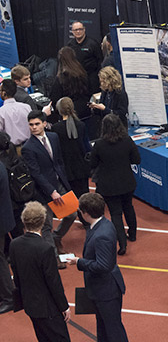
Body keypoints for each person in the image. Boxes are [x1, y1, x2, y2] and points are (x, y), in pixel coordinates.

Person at [9, 202, 71, 342]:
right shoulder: (46, 248)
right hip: (48, 308)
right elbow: (53, 281)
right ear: (42, 221)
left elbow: (17, 276)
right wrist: (64, 306)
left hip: (30, 304)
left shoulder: (15, 244)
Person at [75, 192, 129, 341]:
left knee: (113, 330)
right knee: (104, 328)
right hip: (102, 289)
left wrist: (79, 262)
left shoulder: (101, 234)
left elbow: (103, 265)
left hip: (106, 292)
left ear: (85, 213)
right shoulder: (103, 224)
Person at [22, 110, 75, 257]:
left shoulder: (53, 137)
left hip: (59, 183)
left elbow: (58, 161)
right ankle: (54, 257)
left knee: (72, 214)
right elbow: (36, 173)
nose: (34, 127)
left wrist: (62, 180)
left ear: (44, 124)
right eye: (31, 125)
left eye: (37, 124)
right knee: (47, 225)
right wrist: (51, 191)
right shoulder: (28, 148)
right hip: (43, 191)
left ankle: (57, 237)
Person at [89, 114, 140, 256]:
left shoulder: (99, 144)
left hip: (108, 185)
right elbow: (137, 159)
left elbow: (92, 164)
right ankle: (133, 234)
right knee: (128, 206)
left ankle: (122, 244)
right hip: (127, 182)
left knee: (115, 214)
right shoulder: (127, 140)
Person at [52, 98, 90, 215]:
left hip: (67, 168)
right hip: (82, 166)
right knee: (85, 194)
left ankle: (78, 215)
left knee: (72, 195)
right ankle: (87, 217)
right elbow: (86, 147)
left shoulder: (56, 128)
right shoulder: (81, 125)